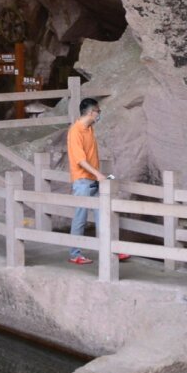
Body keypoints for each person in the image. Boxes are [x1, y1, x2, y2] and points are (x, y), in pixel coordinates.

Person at [67, 97, 129, 266]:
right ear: (91, 112)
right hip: (82, 180)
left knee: (103, 216)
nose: (99, 115)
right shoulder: (76, 131)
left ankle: (109, 249)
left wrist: (97, 176)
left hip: (93, 179)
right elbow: (80, 160)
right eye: (98, 112)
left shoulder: (89, 128)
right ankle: (75, 254)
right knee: (80, 217)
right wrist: (99, 175)